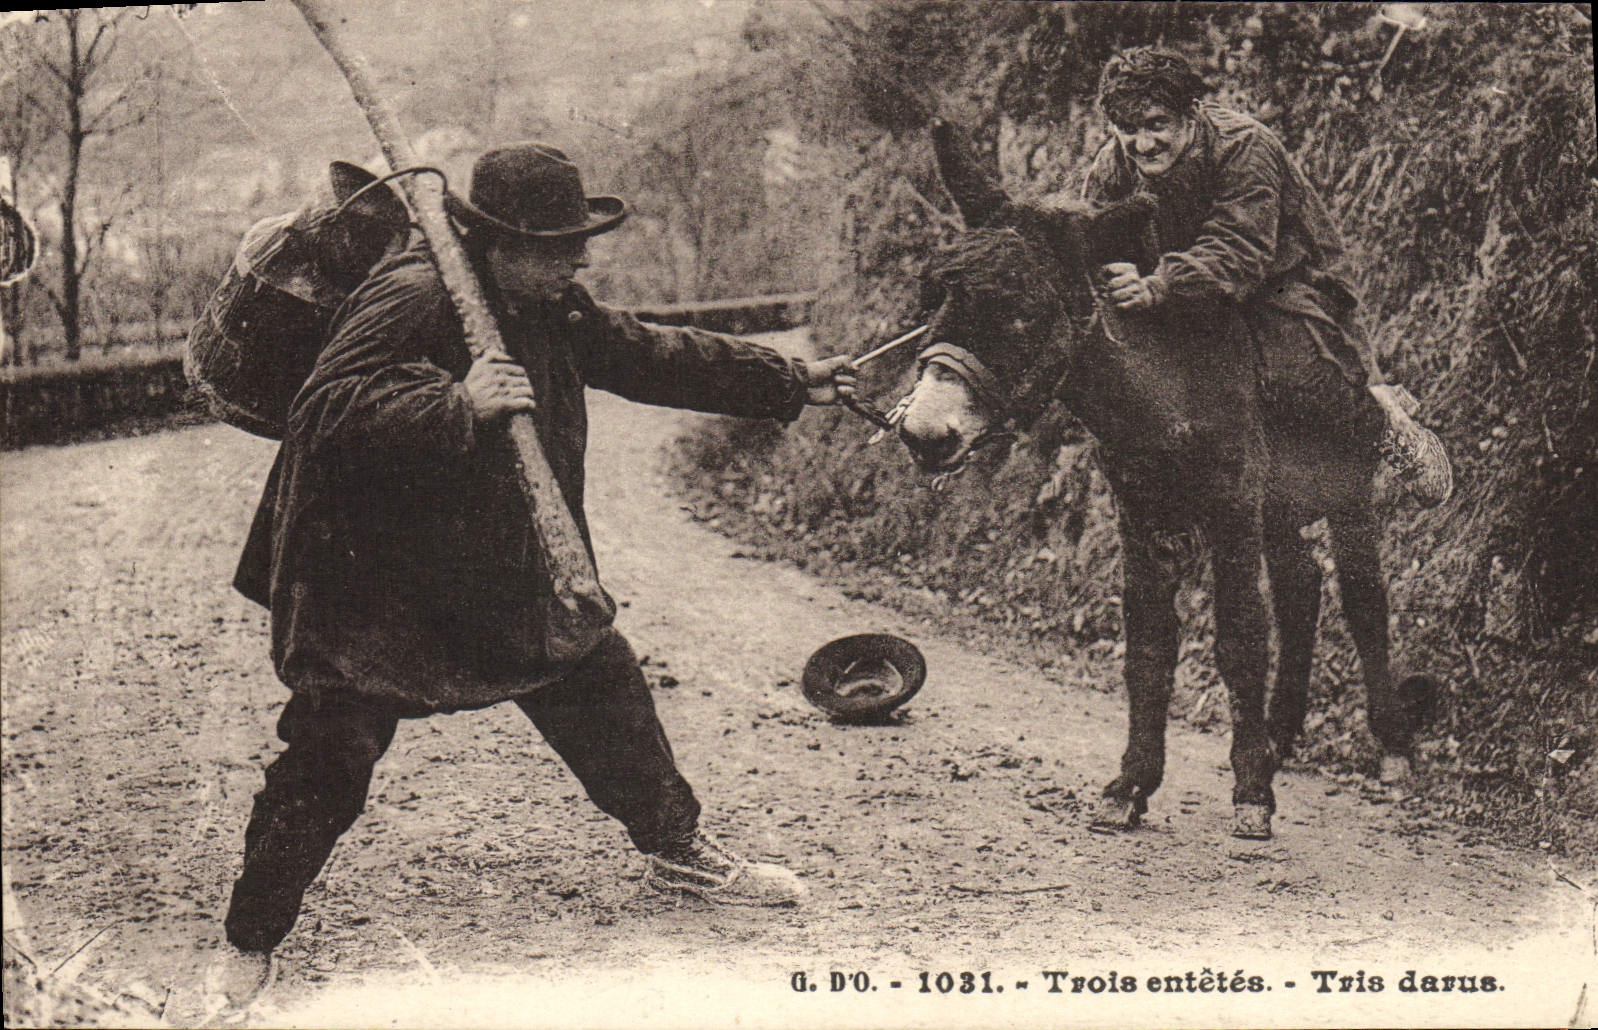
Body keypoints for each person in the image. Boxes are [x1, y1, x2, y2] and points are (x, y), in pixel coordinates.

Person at [202, 142, 858, 1013]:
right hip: (369, 577)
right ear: (498, 242)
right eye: (559, 245)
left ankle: (679, 849)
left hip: (491, 558)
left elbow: (644, 352)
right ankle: (250, 936)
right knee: (333, 751)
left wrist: (784, 378)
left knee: (599, 676)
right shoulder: (416, 292)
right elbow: (325, 410)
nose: (578, 258)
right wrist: (453, 404)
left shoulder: (542, 301)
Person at [1082, 46, 1452, 507]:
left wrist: (1158, 285)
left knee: (1296, 374)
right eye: (1128, 130)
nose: (1143, 144)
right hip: (1185, 295)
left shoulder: (1244, 147)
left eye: (1157, 124)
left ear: (1191, 113)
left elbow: (1240, 247)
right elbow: (1092, 231)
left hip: (1280, 281)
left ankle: (1385, 425)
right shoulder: (1114, 166)